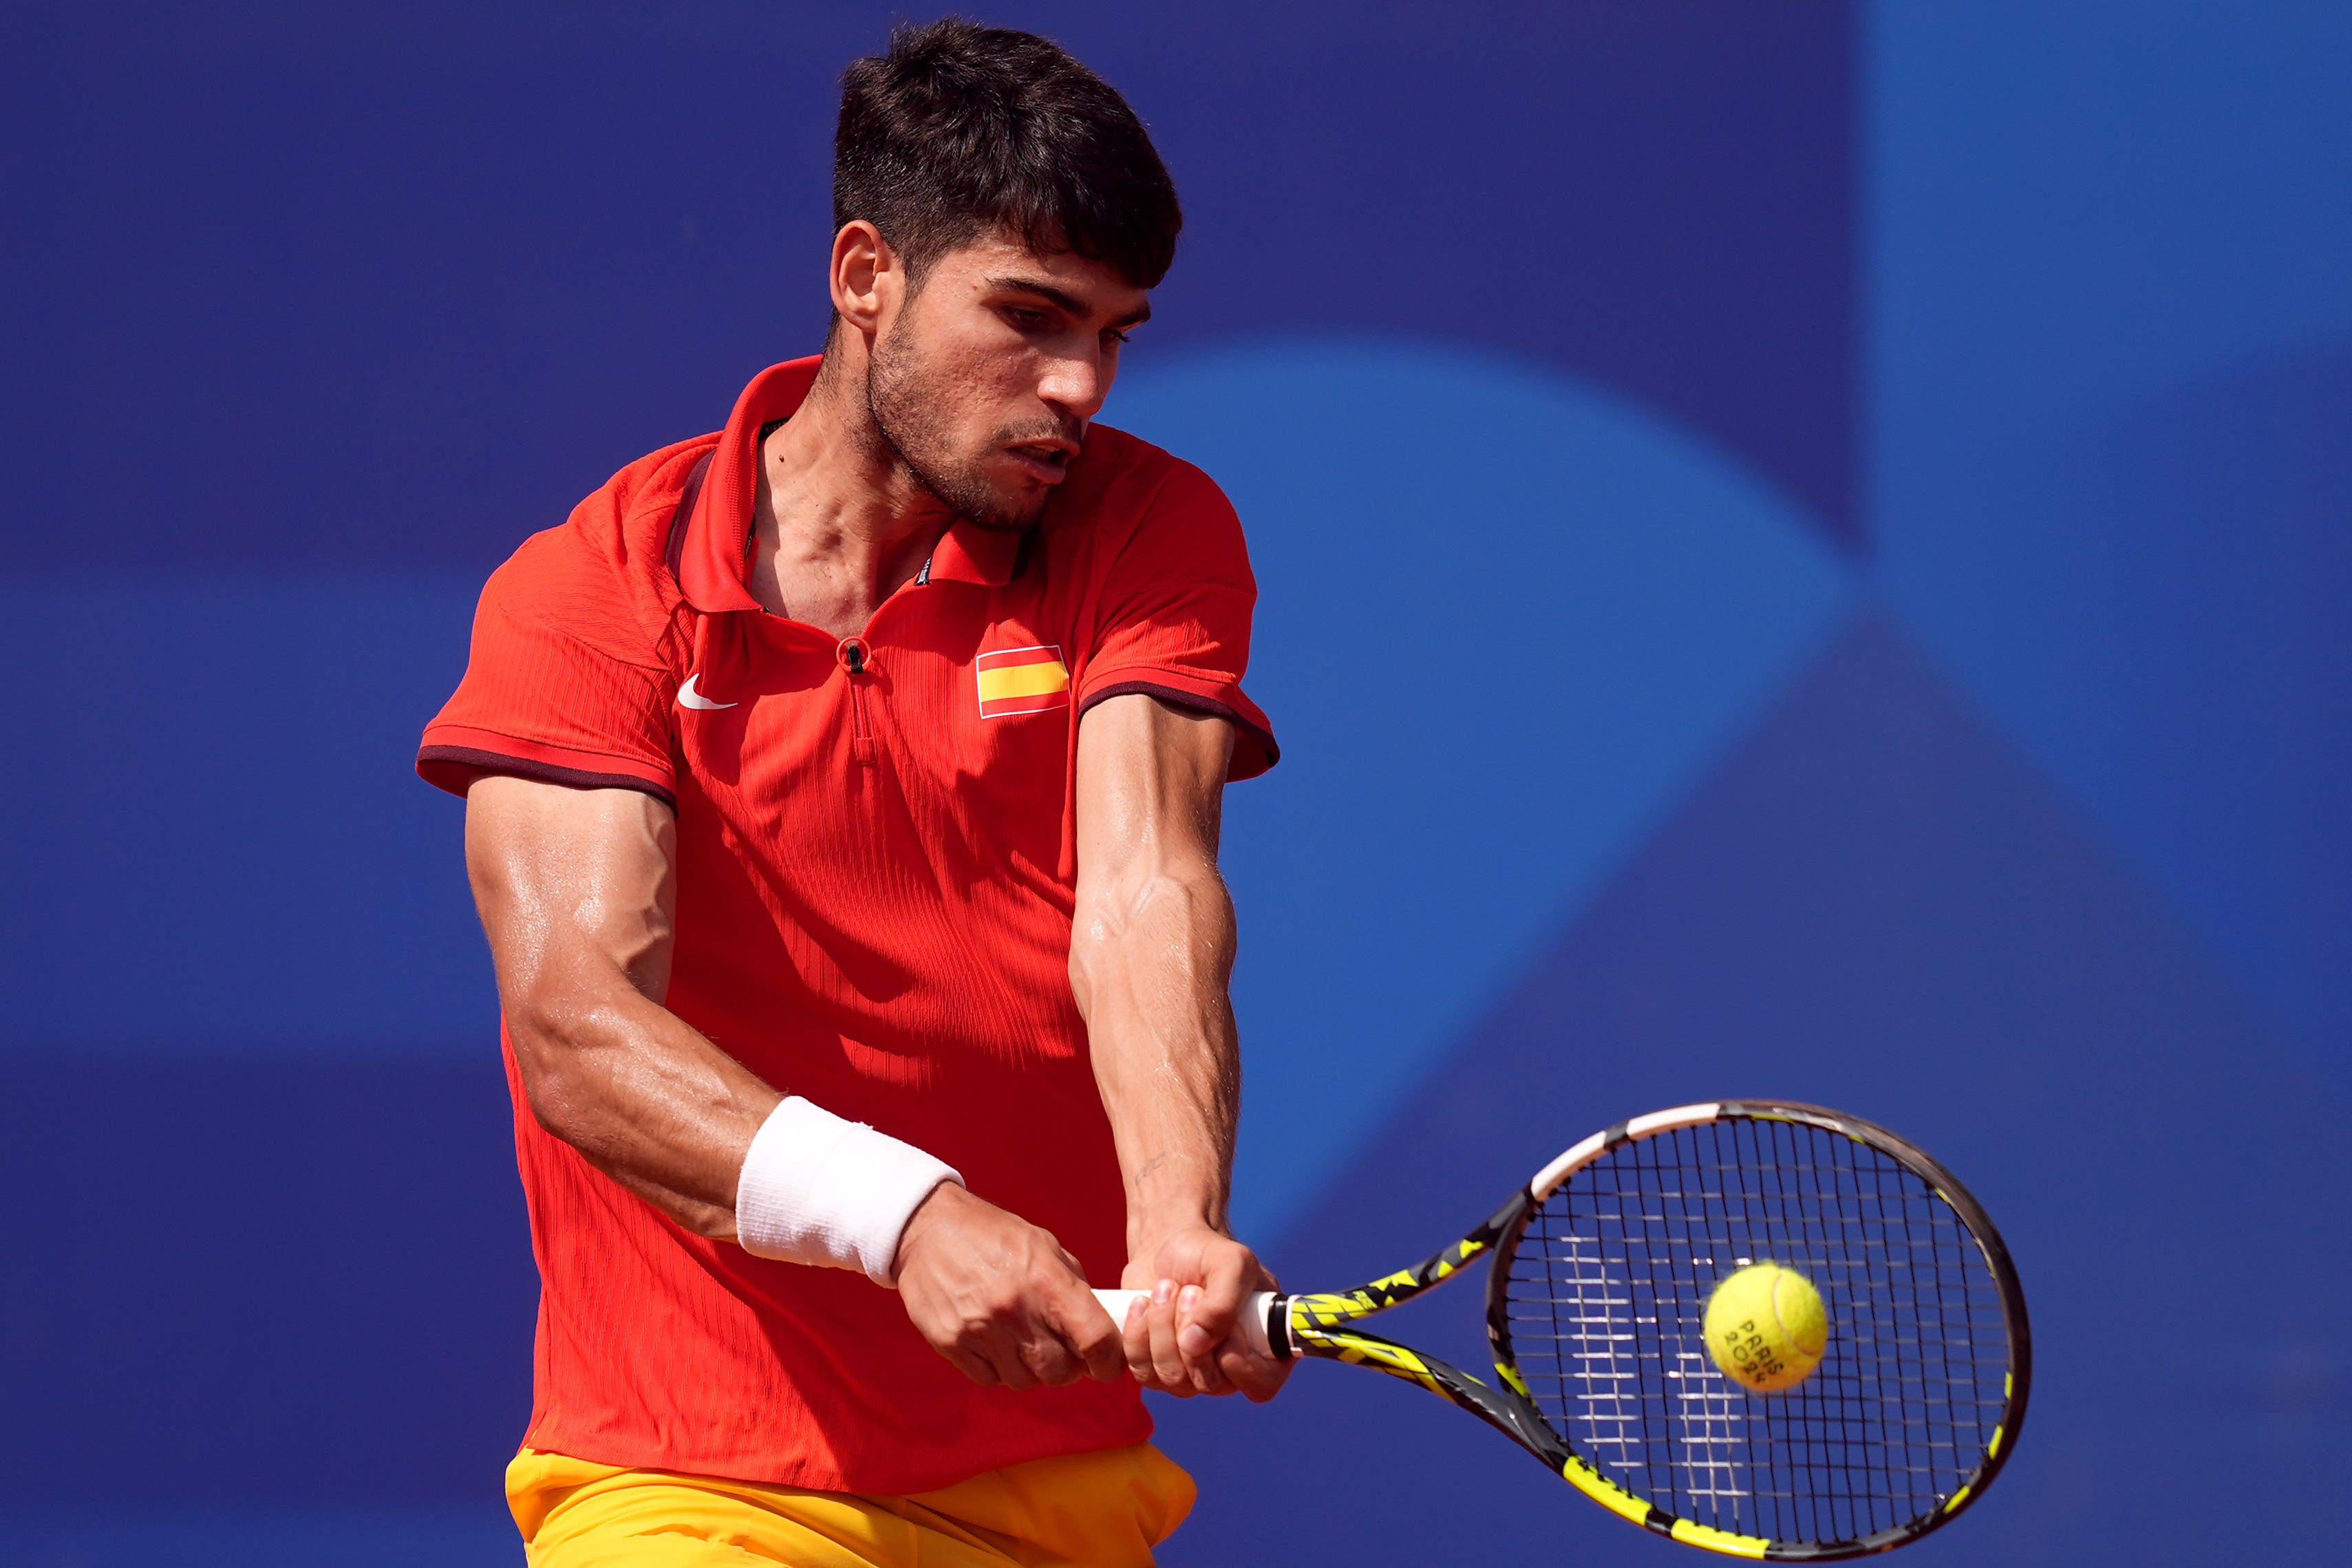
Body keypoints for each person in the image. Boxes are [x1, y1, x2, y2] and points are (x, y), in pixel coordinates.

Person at [415, 18, 1287, 1567]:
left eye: (1114, 332)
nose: (1077, 383)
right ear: (865, 275)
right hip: (695, 1485)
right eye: (1027, 317)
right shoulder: (593, 592)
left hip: (1054, 1488)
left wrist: (1171, 1217)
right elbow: (576, 1026)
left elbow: (1146, 888)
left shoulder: (1147, 525)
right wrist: (909, 1218)